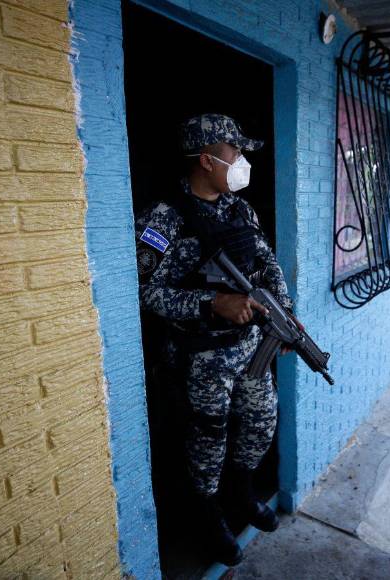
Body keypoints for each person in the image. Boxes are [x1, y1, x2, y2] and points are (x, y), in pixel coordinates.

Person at [134, 114, 294, 566]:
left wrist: (283, 313)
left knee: (262, 419)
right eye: (234, 153)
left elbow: (267, 265)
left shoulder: (240, 210)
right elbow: (143, 292)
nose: (242, 161)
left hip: (249, 349)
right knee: (208, 439)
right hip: (200, 357)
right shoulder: (162, 219)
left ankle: (241, 494)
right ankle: (207, 516)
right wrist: (211, 304)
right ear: (207, 160)